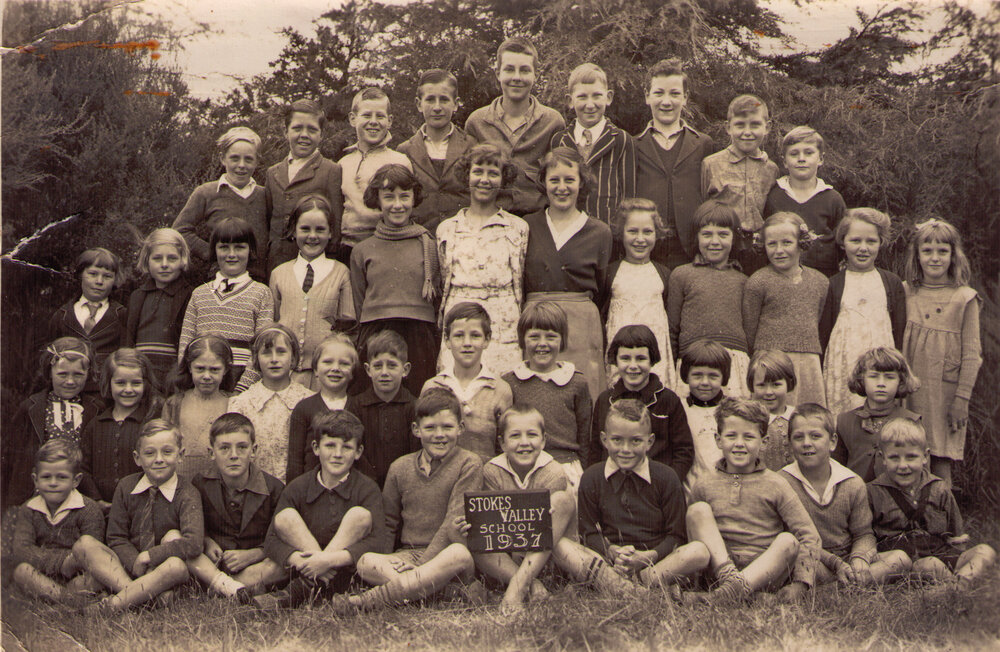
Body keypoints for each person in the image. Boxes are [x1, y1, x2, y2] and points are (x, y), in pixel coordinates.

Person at [554, 399, 710, 599]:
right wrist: (612, 552)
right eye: (617, 440)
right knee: (560, 546)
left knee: (699, 552)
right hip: (610, 563)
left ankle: (633, 585)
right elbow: (589, 532)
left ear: (650, 442)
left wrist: (646, 557)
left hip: (655, 564)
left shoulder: (666, 477)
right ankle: (630, 588)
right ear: (604, 439)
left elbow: (677, 536)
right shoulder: (592, 477)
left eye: (635, 441)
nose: (625, 449)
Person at [350, 388, 485, 611]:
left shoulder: (469, 463)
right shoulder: (400, 467)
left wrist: (423, 566)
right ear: (416, 430)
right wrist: (390, 558)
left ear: (460, 428)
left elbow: (453, 520)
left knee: (458, 554)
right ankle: (441, 592)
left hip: (448, 557)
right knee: (365, 562)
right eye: (430, 428)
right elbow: (388, 521)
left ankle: (367, 601)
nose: (439, 435)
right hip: (408, 555)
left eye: (447, 427)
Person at [686, 397, 822, 604]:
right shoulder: (704, 484)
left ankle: (730, 593)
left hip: (765, 574)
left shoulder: (776, 483)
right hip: (718, 572)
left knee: (789, 541)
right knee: (697, 511)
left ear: (764, 441)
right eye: (731, 435)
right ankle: (734, 589)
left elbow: (808, 535)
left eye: (749, 437)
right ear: (718, 439)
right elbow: (695, 535)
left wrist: (800, 583)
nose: (739, 444)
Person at [257, 410, 384, 608]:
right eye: (330, 445)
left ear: (358, 452)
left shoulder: (367, 488)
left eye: (347, 447)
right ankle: (319, 585)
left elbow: (379, 542)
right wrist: (302, 561)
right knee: (285, 517)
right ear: (316, 448)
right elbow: (271, 541)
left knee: (359, 515)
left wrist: (328, 561)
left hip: (347, 572)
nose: (337, 454)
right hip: (304, 567)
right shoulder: (298, 487)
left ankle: (303, 590)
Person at [72, 420, 203, 613]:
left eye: (167, 452)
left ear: (180, 455)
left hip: (162, 570)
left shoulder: (187, 492)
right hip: (128, 567)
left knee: (176, 565)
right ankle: (141, 596)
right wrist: (136, 563)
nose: (159, 459)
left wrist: (150, 557)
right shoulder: (126, 486)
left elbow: (193, 543)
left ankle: (112, 605)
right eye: (150, 453)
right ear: (137, 458)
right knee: (84, 545)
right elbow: (116, 537)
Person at [779, 403, 911, 586]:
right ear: (790, 443)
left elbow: (863, 534)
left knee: (900, 559)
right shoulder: (782, 483)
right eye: (798, 437)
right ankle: (845, 586)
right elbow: (789, 538)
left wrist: (859, 560)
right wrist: (836, 564)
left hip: (847, 558)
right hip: (811, 559)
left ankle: (845, 583)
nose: (807, 443)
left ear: (832, 441)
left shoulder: (851, 482)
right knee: (796, 562)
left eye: (815, 436)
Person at [522, 147, 612, 400]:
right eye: (554, 180)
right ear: (543, 183)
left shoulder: (599, 231)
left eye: (569, 180)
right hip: (537, 321)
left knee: (583, 394)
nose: (562, 187)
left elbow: (603, 288)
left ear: (581, 182)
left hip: (582, 323)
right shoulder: (526, 225)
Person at [466, 406, 576, 611]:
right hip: (507, 555)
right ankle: (529, 584)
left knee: (563, 500)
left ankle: (518, 587)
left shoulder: (553, 471)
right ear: (502, 442)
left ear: (543, 440)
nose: (524, 443)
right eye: (515, 435)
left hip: (544, 556)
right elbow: (495, 527)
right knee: (470, 528)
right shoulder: (491, 471)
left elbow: (545, 531)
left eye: (532, 435)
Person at [867, 417, 996, 590]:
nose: (903, 465)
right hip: (903, 563)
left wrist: (959, 557)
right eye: (894, 458)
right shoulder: (873, 491)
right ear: (883, 458)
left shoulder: (939, 488)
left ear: (925, 456)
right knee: (930, 565)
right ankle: (954, 590)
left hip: (940, 553)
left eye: (911, 457)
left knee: (986, 551)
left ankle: (961, 583)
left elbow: (956, 535)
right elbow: (865, 538)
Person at [901, 218, 982, 490]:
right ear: (917, 255)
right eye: (927, 251)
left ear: (953, 255)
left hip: (944, 390)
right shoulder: (906, 291)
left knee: (939, 456)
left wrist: (962, 399)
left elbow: (972, 355)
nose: (935, 258)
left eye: (942, 251)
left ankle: (944, 522)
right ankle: (908, 523)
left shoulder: (964, 298)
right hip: (909, 385)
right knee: (906, 449)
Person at [436, 143, 528, 374]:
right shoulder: (447, 229)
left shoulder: (517, 228)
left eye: (493, 173)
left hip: (503, 322)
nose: (484, 180)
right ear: (467, 175)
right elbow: (443, 278)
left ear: (503, 179)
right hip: (459, 316)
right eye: (478, 171)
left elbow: (522, 280)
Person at [351, 164, 441, 396]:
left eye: (405, 196)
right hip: (376, 331)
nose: (397, 205)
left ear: (414, 198)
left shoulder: (428, 244)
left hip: (420, 334)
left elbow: (438, 296)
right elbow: (359, 302)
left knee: (419, 400)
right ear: (377, 200)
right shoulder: (362, 250)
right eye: (389, 197)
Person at [188, 413, 285, 601]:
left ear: (254, 450)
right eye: (224, 448)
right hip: (215, 563)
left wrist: (253, 555)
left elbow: (279, 538)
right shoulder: (200, 483)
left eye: (242, 447)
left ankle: (223, 588)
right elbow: (193, 525)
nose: (234, 455)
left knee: (280, 566)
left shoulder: (274, 488)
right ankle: (234, 587)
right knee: (185, 550)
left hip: (254, 564)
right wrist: (207, 541)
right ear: (211, 453)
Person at [465, 36, 565, 216]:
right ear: (498, 74)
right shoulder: (477, 122)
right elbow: (470, 178)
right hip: (490, 219)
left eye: (525, 70)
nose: (517, 77)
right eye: (509, 70)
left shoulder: (553, 122)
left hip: (538, 221)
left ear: (535, 74)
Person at [820, 208, 906, 416]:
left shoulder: (891, 283)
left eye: (871, 241)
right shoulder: (833, 284)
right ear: (843, 242)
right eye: (855, 240)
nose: (863, 248)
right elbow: (824, 333)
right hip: (843, 365)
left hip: (881, 367)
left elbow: (900, 333)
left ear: (881, 243)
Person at [3, 338, 102, 510]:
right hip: (36, 491)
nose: (70, 381)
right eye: (62, 374)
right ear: (50, 372)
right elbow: (11, 454)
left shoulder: (96, 409)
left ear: (88, 373)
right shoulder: (31, 408)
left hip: (80, 492)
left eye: (78, 374)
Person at [503, 302, 592, 493]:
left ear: (562, 340)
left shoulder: (577, 382)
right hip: (521, 469)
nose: (542, 344)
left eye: (551, 337)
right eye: (534, 337)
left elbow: (585, 437)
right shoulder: (509, 382)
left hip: (565, 467)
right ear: (522, 340)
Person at [269, 193, 355, 389]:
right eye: (305, 229)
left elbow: (347, 328)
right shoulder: (278, 274)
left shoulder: (341, 273)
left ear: (331, 232)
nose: (313, 236)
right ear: (293, 231)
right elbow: (272, 324)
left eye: (320, 229)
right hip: (285, 377)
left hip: (324, 379)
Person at [634, 57, 714, 269]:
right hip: (646, 253)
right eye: (659, 93)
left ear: (685, 98)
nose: (666, 101)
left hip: (690, 253)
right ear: (647, 97)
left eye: (675, 94)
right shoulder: (633, 145)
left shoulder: (703, 144)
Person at [177, 217, 274, 391]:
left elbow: (262, 346)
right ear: (214, 250)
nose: (231, 254)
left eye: (239, 247)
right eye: (224, 247)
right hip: (203, 382)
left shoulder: (261, 293)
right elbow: (186, 345)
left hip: (242, 382)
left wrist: (242, 389)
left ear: (251, 250)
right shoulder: (199, 294)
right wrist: (190, 382)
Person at [743, 212, 829, 406]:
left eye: (787, 243)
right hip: (770, 365)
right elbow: (750, 328)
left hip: (808, 363)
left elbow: (819, 320)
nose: (779, 250)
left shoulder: (820, 281)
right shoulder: (758, 281)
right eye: (772, 244)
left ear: (801, 243)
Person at [667, 199, 750, 398]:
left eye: (723, 234)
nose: (714, 242)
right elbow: (672, 329)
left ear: (734, 238)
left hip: (734, 365)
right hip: (693, 364)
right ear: (696, 237)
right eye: (707, 234)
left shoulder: (743, 280)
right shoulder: (682, 275)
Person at [590, 325, 693, 483]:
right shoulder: (605, 400)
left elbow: (683, 451)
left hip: (656, 486)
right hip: (613, 486)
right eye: (625, 358)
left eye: (640, 358)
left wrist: (668, 484)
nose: (633, 366)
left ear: (652, 360)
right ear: (615, 361)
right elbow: (596, 450)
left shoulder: (668, 400)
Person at [11, 439, 106, 604]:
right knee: (22, 571)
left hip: (78, 575)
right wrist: (62, 562)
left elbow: (93, 553)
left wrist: (72, 563)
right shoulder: (29, 509)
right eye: (46, 477)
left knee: (97, 578)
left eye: (61, 477)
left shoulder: (88, 509)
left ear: (76, 480)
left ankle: (60, 599)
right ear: (35, 479)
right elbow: (22, 550)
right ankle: (69, 600)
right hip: (43, 575)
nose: (53, 483)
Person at [173, 127, 269, 279]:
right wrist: (211, 252)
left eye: (249, 159)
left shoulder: (265, 194)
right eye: (235, 158)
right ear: (223, 158)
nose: (241, 165)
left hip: (260, 280)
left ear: (257, 161)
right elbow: (180, 230)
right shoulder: (206, 192)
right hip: (221, 278)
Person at [549, 62, 635, 231]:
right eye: (582, 97)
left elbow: (628, 197)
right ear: (570, 101)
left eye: (597, 96)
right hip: (567, 231)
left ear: (608, 97)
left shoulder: (621, 140)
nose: (590, 104)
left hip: (608, 234)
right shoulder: (559, 140)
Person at [423, 302, 513, 460]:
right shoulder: (433, 386)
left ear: (487, 340)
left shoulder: (500, 389)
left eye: (475, 335)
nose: (467, 343)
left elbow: (505, 446)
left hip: (485, 479)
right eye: (458, 335)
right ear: (447, 339)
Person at [603, 198, 677, 390]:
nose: (640, 239)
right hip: (621, 353)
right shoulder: (611, 272)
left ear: (657, 234)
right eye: (633, 231)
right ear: (621, 233)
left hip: (654, 353)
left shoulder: (663, 274)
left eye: (647, 232)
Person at [701, 94, 779, 274]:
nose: (747, 132)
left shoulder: (771, 169)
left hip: (759, 252)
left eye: (755, 125)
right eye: (740, 125)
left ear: (767, 127)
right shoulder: (711, 164)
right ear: (728, 127)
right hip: (723, 250)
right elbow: (702, 210)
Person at [264, 99, 344, 272]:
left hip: (315, 263)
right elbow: (270, 219)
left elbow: (335, 224)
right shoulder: (273, 173)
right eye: (297, 128)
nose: (304, 135)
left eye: (312, 129)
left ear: (321, 135)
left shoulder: (331, 170)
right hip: (277, 263)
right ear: (286, 132)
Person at [228, 325, 315, 482]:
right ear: (256, 359)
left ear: (294, 358)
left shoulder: (308, 401)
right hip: (254, 491)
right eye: (266, 353)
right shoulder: (241, 404)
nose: (274, 359)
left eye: (281, 352)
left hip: (296, 493)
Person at [337, 87, 412, 262]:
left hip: (387, 244)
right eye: (366, 115)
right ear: (352, 119)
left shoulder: (400, 161)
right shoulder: (342, 163)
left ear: (390, 121)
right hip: (348, 247)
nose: (373, 122)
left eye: (380, 116)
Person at [80, 348, 162, 505]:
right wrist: (96, 500)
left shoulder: (151, 424)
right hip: (101, 509)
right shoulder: (96, 425)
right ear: (108, 383)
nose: (128, 389)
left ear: (145, 384)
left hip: (141, 508)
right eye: (120, 383)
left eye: (136, 383)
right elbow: (83, 468)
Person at [398, 68, 476, 232]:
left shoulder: (471, 146)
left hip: (463, 237)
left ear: (455, 103)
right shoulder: (404, 151)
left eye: (444, 100)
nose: (437, 107)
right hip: (419, 238)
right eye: (430, 100)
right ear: (419, 104)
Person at [763, 126, 846, 277]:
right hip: (780, 276)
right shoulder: (774, 196)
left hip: (823, 277)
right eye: (794, 154)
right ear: (785, 161)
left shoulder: (832, 198)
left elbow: (842, 242)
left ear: (820, 159)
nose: (801, 158)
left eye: (808, 153)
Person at [833, 347, 921, 482]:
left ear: (901, 381)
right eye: (873, 376)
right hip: (855, 497)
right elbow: (835, 470)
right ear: (862, 380)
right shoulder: (845, 421)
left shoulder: (911, 421)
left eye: (889, 377)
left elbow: (921, 474)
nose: (881, 384)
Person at [48, 247, 127, 395]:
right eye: (92, 274)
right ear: (80, 275)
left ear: (115, 280)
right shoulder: (62, 315)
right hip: (69, 391)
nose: (99, 281)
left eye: (107, 276)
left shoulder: (122, 315)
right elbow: (49, 358)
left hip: (106, 394)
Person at [347, 330, 420, 488]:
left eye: (392, 365)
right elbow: (353, 449)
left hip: (403, 485)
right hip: (364, 486)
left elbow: (415, 454)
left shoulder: (413, 407)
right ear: (368, 370)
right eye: (378, 366)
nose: (384, 372)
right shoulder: (356, 405)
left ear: (405, 369)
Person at [125, 228, 194, 391]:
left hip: (172, 375)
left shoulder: (190, 295)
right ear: (147, 260)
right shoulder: (137, 295)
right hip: (140, 375)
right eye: (157, 258)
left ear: (182, 260)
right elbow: (128, 337)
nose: (164, 264)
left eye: (172, 258)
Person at [287, 333, 361, 482]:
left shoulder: (359, 408)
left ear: (353, 372)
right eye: (327, 362)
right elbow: (295, 462)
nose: (335, 368)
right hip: (310, 494)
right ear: (315, 370)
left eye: (344, 364)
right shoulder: (303, 408)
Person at [163, 336, 235, 479]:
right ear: (190, 367)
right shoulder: (174, 404)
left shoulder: (234, 403)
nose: (206, 376)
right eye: (200, 369)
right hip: (182, 483)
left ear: (225, 369)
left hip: (219, 487)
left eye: (214, 370)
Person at [678, 340, 730, 492]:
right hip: (691, 492)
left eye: (713, 376)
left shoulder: (732, 408)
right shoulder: (679, 408)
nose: (705, 382)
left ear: (724, 377)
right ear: (686, 375)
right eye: (697, 375)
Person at [747, 350, 797, 471]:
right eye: (761, 385)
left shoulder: (797, 416)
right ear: (752, 386)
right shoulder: (748, 421)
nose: (769, 392)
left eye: (776, 384)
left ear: (788, 384)